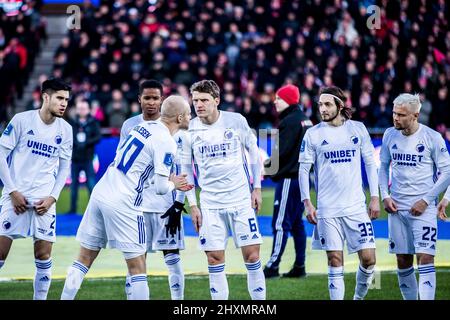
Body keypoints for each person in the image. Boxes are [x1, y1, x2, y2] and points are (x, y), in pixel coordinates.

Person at [60, 95, 193, 300]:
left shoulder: (142, 127)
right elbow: (160, 188)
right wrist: (173, 183)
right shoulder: (167, 141)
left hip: (102, 191)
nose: (191, 117)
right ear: (180, 117)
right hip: (125, 200)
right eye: (189, 114)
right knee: (138, 267)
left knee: (84, 259)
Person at [184, 80, 266, 300]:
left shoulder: (236, 120)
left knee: (252, 256)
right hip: (210, 204)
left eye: (204, 100)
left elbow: (254, 153)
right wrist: (193, 204)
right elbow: (185, 170)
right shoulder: (189, 129)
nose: (198, 105)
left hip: (241, 201)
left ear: (216, 101)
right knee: (214, 259)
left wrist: (256, 188)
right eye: (195, 101)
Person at [299, 86, 380, 300]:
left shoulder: (358, 129)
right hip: (328, 210)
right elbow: (303, 170)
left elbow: (371, 163)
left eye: (327, 104)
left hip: (356, 207)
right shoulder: (313, 134)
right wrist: (307, 203)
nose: (322, 109)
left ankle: (358, 297)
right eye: (320, 105)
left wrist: (374, 197)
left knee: (369, 259)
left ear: (340, 106)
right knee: (335, 259)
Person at [0, 78, 73, 300]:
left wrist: (52, 198)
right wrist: (12, 191)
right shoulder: (22, 120)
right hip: (15, 198)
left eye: (67, 100)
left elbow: (63, 169)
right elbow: (1, 154)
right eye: (60, 98)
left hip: (44, 202)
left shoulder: (66, 130)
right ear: (45, 97)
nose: (64, 104)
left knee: (43, 256)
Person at [119, 79, 187, 300]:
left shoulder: (177, 130)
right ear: (139, 99)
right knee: (137, 260)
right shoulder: (129, 125)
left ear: (162, 100)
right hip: (136, 204)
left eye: (155, 98)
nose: (151, 103)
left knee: (173, 257)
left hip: (165, 204)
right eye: (147, 98)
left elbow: (182, 170)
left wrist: (180, 202)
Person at [379, 93, 450, 300]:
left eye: (401, 115)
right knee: (402, 259)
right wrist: (385, 195)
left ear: (416, 115)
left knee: (426, 258)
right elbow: (383, 168)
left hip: (424, 209)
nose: (396, 118)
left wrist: (426, 200)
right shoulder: (389, 135)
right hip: (396, 208)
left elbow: (447, 172)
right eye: (394, 113)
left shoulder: (432, 138)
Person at [263, 84, 312, 278]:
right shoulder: (305, 120)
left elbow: (280, 154)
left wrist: (264, 169)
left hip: (289, 179)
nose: (275, 101)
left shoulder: (289, 122)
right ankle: (300, 265)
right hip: (302, 179)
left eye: (279, 98)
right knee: (297, 223)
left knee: (281, 223)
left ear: (289, 100)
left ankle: (273, 265)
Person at [67, 100, 101, 213]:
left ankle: (94, 211)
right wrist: (76, 143)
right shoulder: (72, 122)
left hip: (88, 158)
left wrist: (86, 142)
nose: (82, 110)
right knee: (73, 187)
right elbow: (68, 137)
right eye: (80, 108)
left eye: (84, 108)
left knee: (91, 185)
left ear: (88, 109)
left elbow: (98, 137)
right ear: (77, 109)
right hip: (75, 159)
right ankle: (72, 210)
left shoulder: (93, 122)